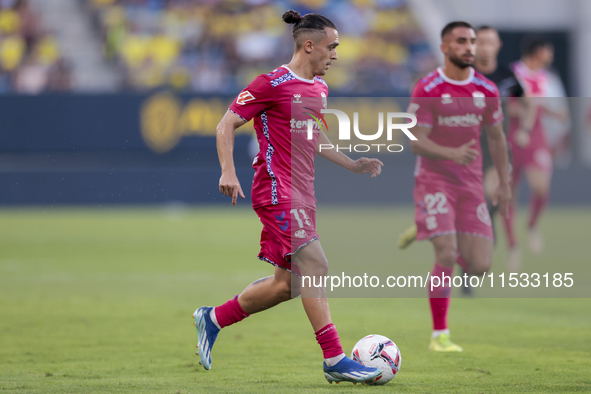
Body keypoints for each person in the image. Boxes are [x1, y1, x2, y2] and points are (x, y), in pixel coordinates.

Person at [193, 10, 385, 385]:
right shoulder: (272, 83)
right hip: (277, 189)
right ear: (308, 45)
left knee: (288, 285)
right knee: (316, 266)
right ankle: (334, 359)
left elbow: (314, 137)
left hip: (303, 193)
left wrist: (351, 164)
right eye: (332, 47)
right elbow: (226, 123)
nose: (335, 55)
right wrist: (228, 171)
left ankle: (213, 318)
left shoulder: (319, 89)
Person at [407, 21, 511, 351]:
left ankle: (426, 226)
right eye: (461, 41)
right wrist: (451, 152)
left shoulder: (487, 90)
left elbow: (496, 138)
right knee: (447, 254)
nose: (470, 47)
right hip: (434, 180)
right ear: (445, 48)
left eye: (472, 41)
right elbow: (415, 140)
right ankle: (440, 336)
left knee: (480, 264)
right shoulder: (428, 87)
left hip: (470, 185)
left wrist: (505, 183)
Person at [503, 36, 568, 270]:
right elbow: (508, 105)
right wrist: (529, 109)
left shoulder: (547, 78)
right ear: (537, 52)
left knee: (541, 187)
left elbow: (540, 106)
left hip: (536, 135)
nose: (550, 56)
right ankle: (513, 246)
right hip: (512, 134)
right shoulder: (513, 74)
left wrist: (552, 114)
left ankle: (531, 225)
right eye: (547, 52)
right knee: (509, 193)